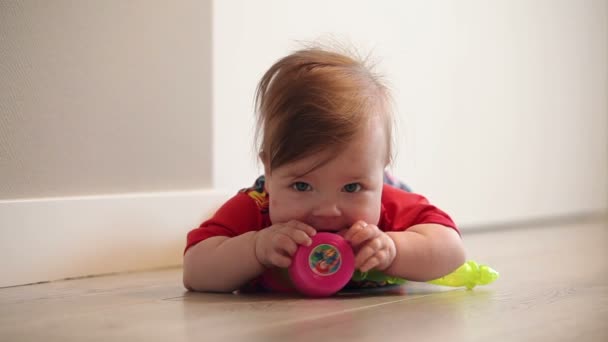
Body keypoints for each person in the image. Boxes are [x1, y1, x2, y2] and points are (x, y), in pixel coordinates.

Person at [183, 46, 466, 293]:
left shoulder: (388, 204)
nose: (328, 212)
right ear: (269, 172)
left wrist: (394, 249)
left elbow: (452, 251)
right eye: (302, 186)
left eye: (352, 187)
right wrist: (254, 248)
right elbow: (195, 270)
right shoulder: (257, 209)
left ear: (380, 170)